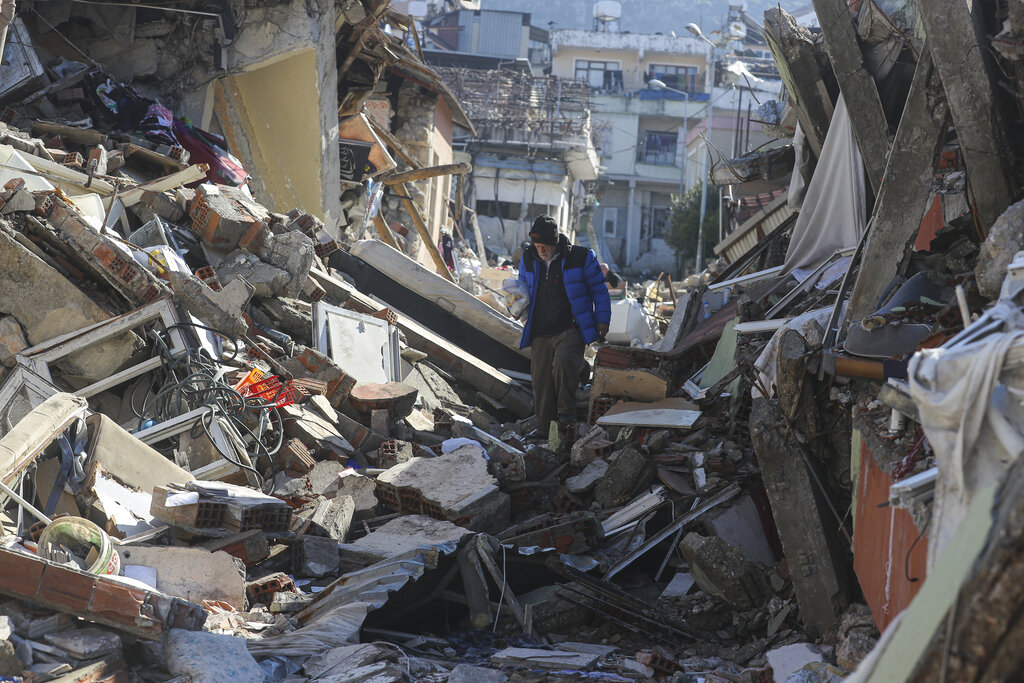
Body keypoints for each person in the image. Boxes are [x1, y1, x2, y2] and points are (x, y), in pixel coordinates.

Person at [517, 215, 611, 441]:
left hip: (570, 327)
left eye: (544, 246)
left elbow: (599, 290)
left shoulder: (581, 257)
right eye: (537, 246)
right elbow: (520, 288)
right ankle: (545, 431)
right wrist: (516, 305)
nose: (541, 250)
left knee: (563, 364)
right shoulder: (529, 258)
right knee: (541, 380)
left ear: (555, 242)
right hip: (540, 329)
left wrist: (602, 319)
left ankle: (566, 422)